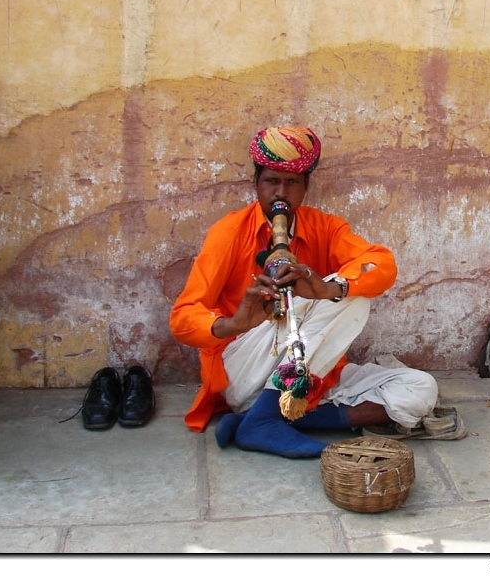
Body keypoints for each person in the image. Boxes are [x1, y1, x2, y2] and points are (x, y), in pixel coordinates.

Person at [169, 125, 449, 458]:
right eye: (271, 181)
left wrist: (326, 286)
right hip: (245, 368)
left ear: (306, 187)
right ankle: (262, 417)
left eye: (292, 183)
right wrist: (235, 323)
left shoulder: (326, 228)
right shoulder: (229, 232)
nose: (281, 194)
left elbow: (381, 264)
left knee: (419, 390)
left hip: (310, 369)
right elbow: (183, 318)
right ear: (256, 184)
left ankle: (261, 419)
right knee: (350, 300)